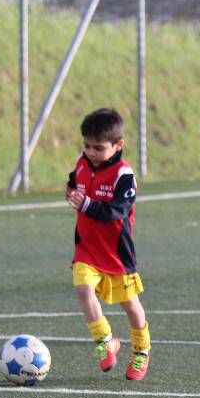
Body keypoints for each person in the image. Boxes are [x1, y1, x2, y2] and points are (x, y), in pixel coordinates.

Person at [66, 108, 151, 380]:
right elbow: (73, 181)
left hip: (116, 254)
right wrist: (71, 192)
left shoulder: (123, 176)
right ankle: (105, 341)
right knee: (82, 290)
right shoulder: (82, 163)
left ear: (118, 145)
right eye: (87, 146)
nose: (91, 152)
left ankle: (141, 351)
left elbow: (118, 211)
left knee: (131, 305)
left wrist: (87, 204)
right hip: (87, 249)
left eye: (98, 148)